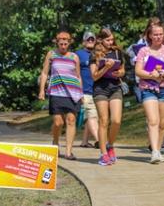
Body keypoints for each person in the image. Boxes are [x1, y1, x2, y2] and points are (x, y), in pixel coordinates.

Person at [135, 18, 164, 164]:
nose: (158, 37)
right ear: (150, 35)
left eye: (161, 34)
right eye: (155, 34)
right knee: (153, 120)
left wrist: (161, 72)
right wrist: (151, 74)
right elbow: (138, 71)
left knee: (163, 123)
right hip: (148, 89)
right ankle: (154, 151)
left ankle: (158, 150)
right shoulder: (143, 51)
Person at [38, 31, 83, 160]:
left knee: (71, 120)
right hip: (56, 92)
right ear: (56, 42)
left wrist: (81, 93)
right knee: (58, 122)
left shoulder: (74, 57)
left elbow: (78, 76)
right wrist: (42, 90)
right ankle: (55, 142)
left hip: (72, 93)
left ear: (70, 42)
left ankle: (68, 151)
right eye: (61, 41)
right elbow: (45, 73)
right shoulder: (51, 54)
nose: (63, 43)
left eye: (66, 41)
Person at [90, 28, 126, 166]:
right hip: (100, 89)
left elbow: (123, 70)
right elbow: (94, 76)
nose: (111, 42)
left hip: (115, 87)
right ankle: (103, 153)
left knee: (116, 120)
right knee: (103, 121)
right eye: (108, 40)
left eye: (112, 39)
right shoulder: (94, 54)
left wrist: (120, 73)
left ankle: (110, 145)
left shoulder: (117, 52)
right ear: (100, 40)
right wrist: (105, 68)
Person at [76, 31, 100, 149]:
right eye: (88, 39)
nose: (90, 41)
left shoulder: (98, 54)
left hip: (97, 90)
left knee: (92, 116)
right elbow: (74, 73)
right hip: (84, 90)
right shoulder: (78, 54)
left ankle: (84, 141)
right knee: (91, 116)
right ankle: (99, 140)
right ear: (83, 42)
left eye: (92, 39)